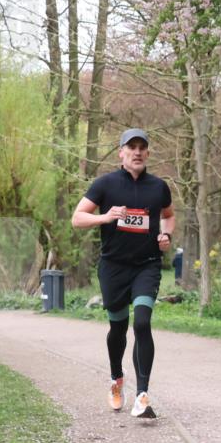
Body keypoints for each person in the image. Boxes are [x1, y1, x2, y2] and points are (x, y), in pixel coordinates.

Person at [71, 128, 175, 419]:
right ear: (121, 153)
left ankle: (142, 395)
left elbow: (168, 216)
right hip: (114, 267)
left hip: (147, 265)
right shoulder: (105, 184)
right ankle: (117, 379)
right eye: (132, 147)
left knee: (142, 322)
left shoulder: (159, 187)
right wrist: (106, 217)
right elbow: (77, 218)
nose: (137, 152)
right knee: (118, 327)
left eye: (142, 147)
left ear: (148, 153)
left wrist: (165, 236)